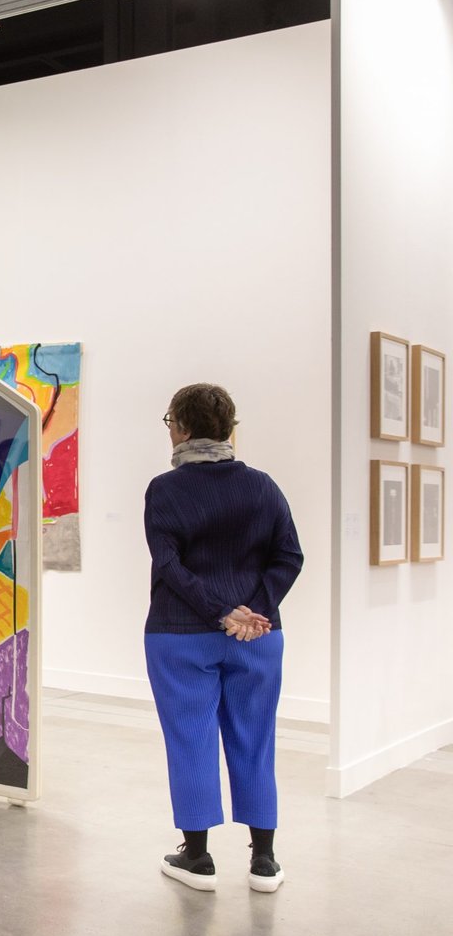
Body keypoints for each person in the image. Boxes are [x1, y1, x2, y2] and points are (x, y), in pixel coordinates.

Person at [144, 383, 303, 894]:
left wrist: (221, 612)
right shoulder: (263, 487)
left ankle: (196, 858)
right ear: (229, 429)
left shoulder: (164, 490)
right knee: (256, 740)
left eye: (170, 422)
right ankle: (264, 861)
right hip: (257, 637)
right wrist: (251, 612)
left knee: (189, 740)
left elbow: (169, 565)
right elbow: (290, 557)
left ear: (182, 428)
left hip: (180, 635)